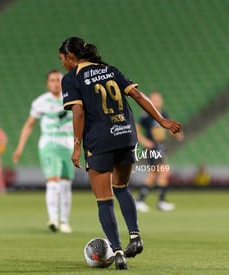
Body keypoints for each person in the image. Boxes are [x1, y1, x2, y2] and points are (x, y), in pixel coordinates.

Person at [59, 37, 182, 270]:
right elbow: (137, 95)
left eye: (62, 58)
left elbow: (78, 112)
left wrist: (77, 145)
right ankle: (135, 237)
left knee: (104, 200)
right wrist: (162, 120)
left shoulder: (72, 78)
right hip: (125, 135)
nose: (63, 63)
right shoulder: (110, 70)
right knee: (122, 188)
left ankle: (117, 252)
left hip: (99, 140)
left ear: (71, 57)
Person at [12, 69, 74, 233]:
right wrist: (19, 147)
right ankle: (53, 219)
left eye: (58, 80)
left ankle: (64, 221)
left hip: (68, 144)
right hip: (49, 144)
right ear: (48, 83)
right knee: (53, 182)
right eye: (52, 80)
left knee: (66, 184)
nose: (55, 83)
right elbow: (29, 125)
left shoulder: (72, 99)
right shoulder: (40, 102)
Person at [135, 92, 184, 212]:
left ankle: (139, 200)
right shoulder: (146, 115)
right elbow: (136, 129)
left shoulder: (164, 114)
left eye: (158, 99)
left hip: (161, 147)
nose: (157, 101)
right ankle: (161, 201)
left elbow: (167, 130)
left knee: (154, 174)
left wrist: (176, 133)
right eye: (154, 99)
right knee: (164, 170)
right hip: (152, 148)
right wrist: (144, 141)